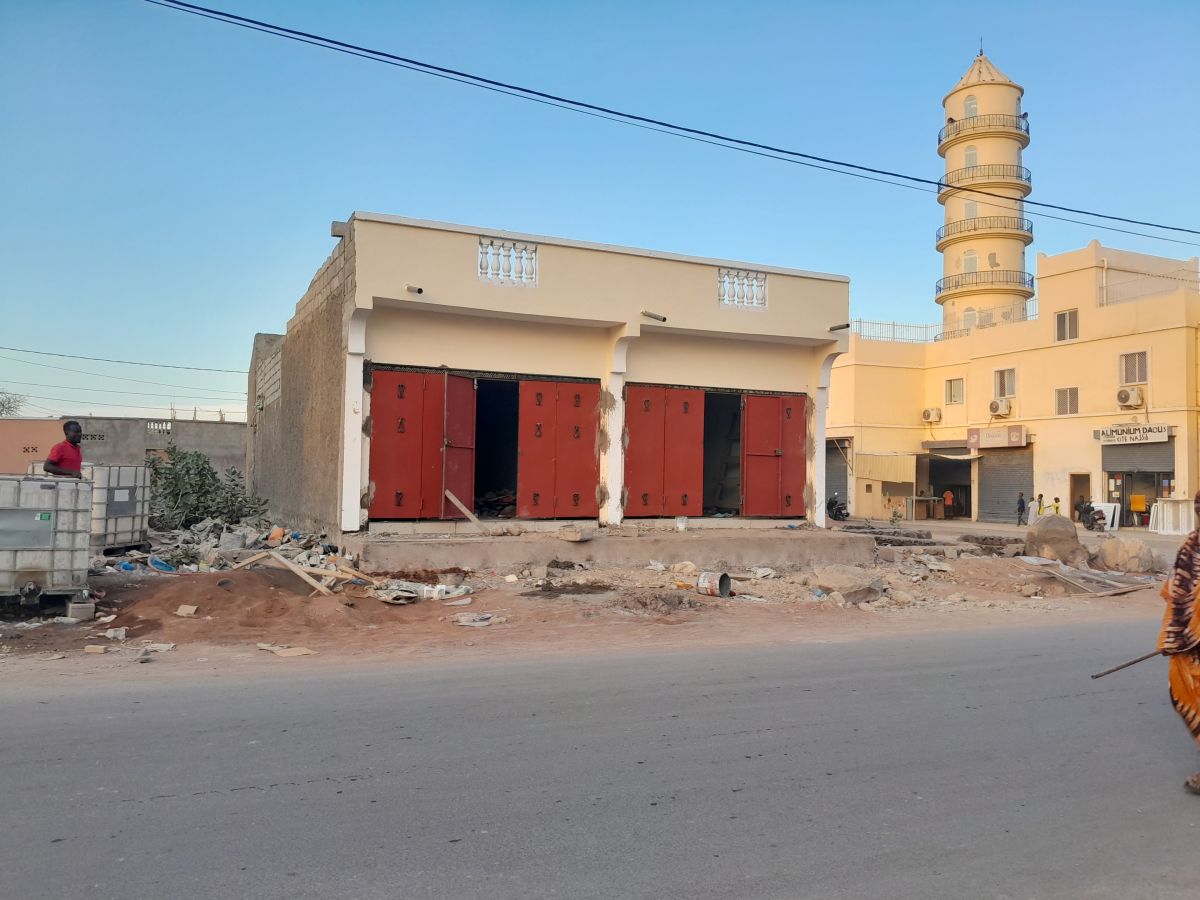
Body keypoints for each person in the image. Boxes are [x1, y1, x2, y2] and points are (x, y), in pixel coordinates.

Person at [1159, 491, 1200, 795]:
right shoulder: (1191, 546)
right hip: (1191, 643)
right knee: (1182, 693)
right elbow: (1177, 593)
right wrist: (1173, 636)